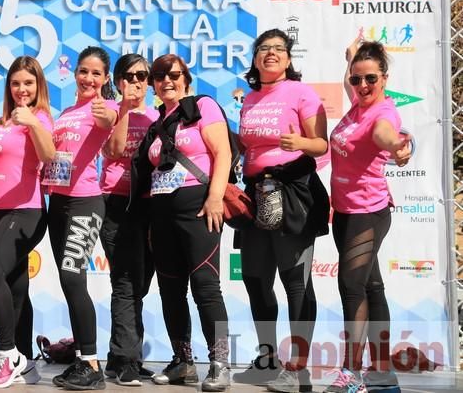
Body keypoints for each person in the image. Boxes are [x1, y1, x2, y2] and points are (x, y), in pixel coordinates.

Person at [233, 28, 329, 393]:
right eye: (263, 50)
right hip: (257, 193)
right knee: (256, 279)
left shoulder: (301, 93)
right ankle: (267, 358)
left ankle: (299, 368)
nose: (270, 54)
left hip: (293, 190)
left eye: (278, 49)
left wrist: (300, 142)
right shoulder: (251, 98)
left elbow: (320, 144)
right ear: (256, 59)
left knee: (296, 282)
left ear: (288, 59)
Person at [131, 54, 232, 392]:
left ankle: (219, 363)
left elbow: (224, 154)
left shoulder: (203, 106)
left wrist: (215, 196)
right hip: (161, 214)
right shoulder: (158, 121)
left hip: (199, 208)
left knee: (206, 287)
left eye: (173, 74)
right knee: (171, 290)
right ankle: (182, 362)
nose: (166, 81)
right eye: (158, 76)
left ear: (186, 77)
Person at [324, 40, 410, 393]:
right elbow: (351, 76)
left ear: (384, 79)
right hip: (344, 213)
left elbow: (385, 134)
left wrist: (397, 146)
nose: (361, 86)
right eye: (357, 80)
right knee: (372, 288)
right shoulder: (359, 101)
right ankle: (383, 373)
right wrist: (352, 55)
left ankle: (352, 374)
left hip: (369, 213)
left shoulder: (383, 114)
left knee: (351, 286)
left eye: (370, 79)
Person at [0, 56, 55, 388]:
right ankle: (26, 361)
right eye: (15, 83)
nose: (21, 89)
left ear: (38, 86)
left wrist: (33, 124)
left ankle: (8, 355)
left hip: (25, 212)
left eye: (28, 83)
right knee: (15, 289)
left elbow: (49, 156)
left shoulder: (41, 119)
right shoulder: (0, 122)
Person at [44, 46, 118, 391]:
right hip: (57, 203)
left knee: (73, 278)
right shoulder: (69, 110)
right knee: (68, 280)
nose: (89, 78)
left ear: (105, 79)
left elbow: (110, 127)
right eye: (83, 71)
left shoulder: (106, 107)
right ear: (75, 73)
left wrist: (107, 116)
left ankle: (91, 363)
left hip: (85, 203)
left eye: (96, 73)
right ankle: (80, 358)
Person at [99, 54, 158, 386]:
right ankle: (127, 360)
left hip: (150, 205)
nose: (137, 82)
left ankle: (119, 356)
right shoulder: (110, 112)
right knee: (125, 282)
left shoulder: (156, 116)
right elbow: (116, 149)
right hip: (116, 202)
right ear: (119, 80)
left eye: (143, 76)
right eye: (130, 76)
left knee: (141, 283)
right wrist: (123, 108)